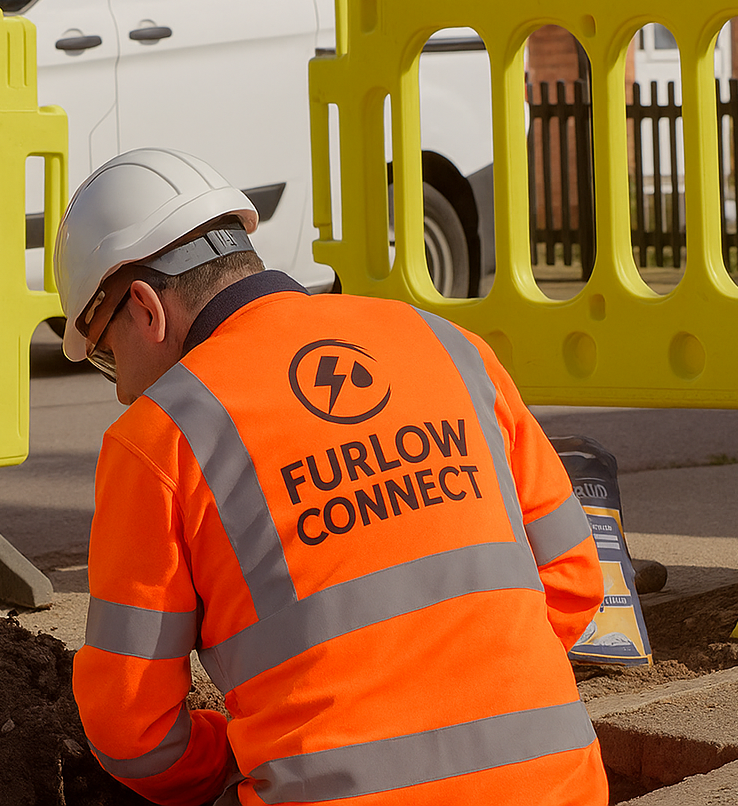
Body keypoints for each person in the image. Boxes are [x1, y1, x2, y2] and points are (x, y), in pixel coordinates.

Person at [53, 147, 608, 805]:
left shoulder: (156, 437)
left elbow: (130, 734)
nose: (122, 394)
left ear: (145, 308)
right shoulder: (450, 346)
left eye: (111, 359)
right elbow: (575, 585)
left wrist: (236, 752)